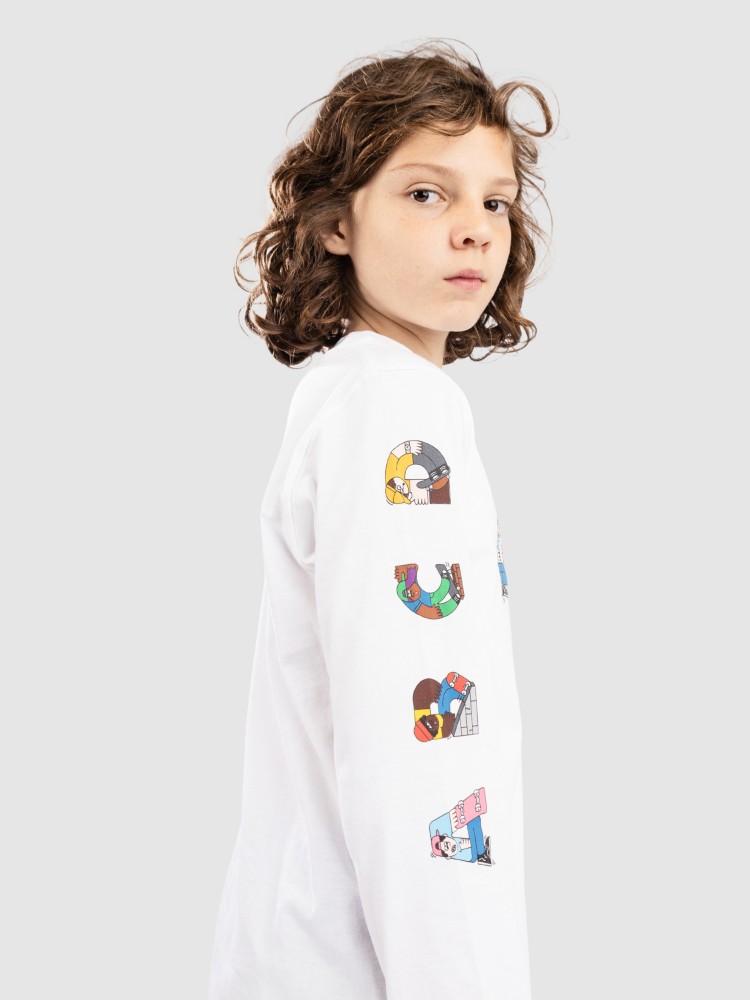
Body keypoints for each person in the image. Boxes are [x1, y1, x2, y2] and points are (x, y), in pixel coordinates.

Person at [208, 39, 556, 1000]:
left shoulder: (355, 399)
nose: (475, 230)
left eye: (495, 202)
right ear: (335, 224)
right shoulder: (397, 415)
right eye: (426, 193)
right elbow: (423, 752)